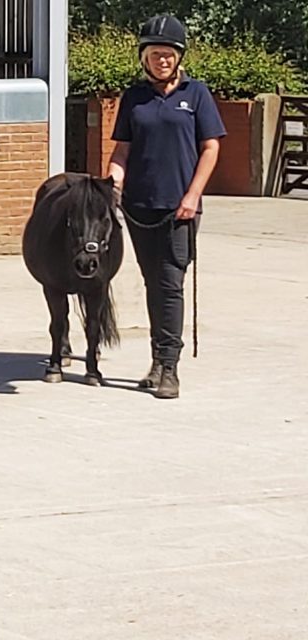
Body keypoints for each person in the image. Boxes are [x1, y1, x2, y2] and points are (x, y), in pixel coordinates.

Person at [108, 15, 225, 399]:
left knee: (170, 284)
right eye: (155, 54)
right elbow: (122, 149)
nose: (162, 60)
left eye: (168, 54)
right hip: (140, 207)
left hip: (180, 210)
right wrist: (113, 182)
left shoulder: (197, 94)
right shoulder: (135, 98)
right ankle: (156, 361)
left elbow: (211, 147)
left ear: (179, 57)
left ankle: (169, 368)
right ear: (144, 57)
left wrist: (192, 195)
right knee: (152, 283)